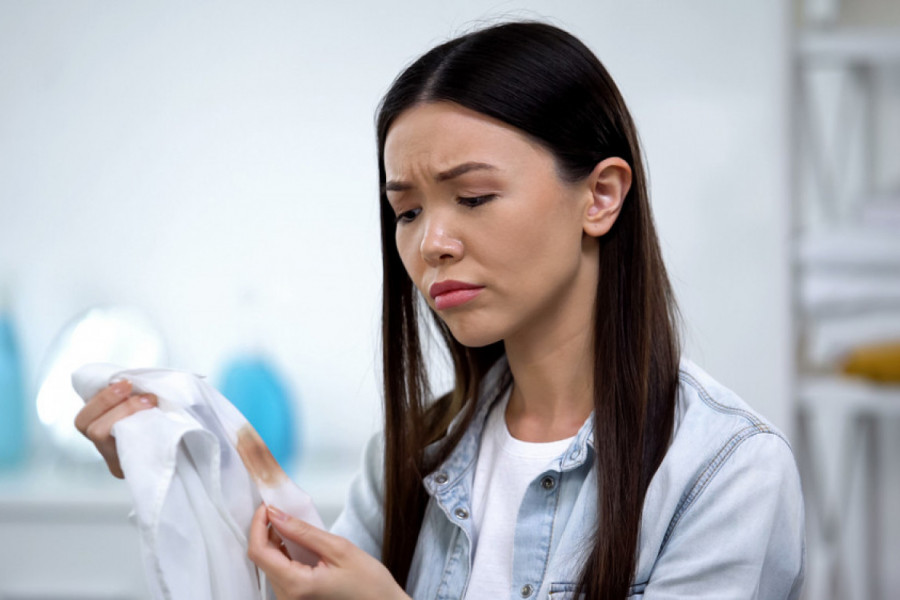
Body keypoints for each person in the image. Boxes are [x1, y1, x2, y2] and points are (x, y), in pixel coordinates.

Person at [76, 20, 805, 600]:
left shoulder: (727, 472)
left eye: (475, 198)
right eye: (406, 211)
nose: (432, 244)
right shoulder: (417, 453)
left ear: (601, 196)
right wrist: (178, 471)